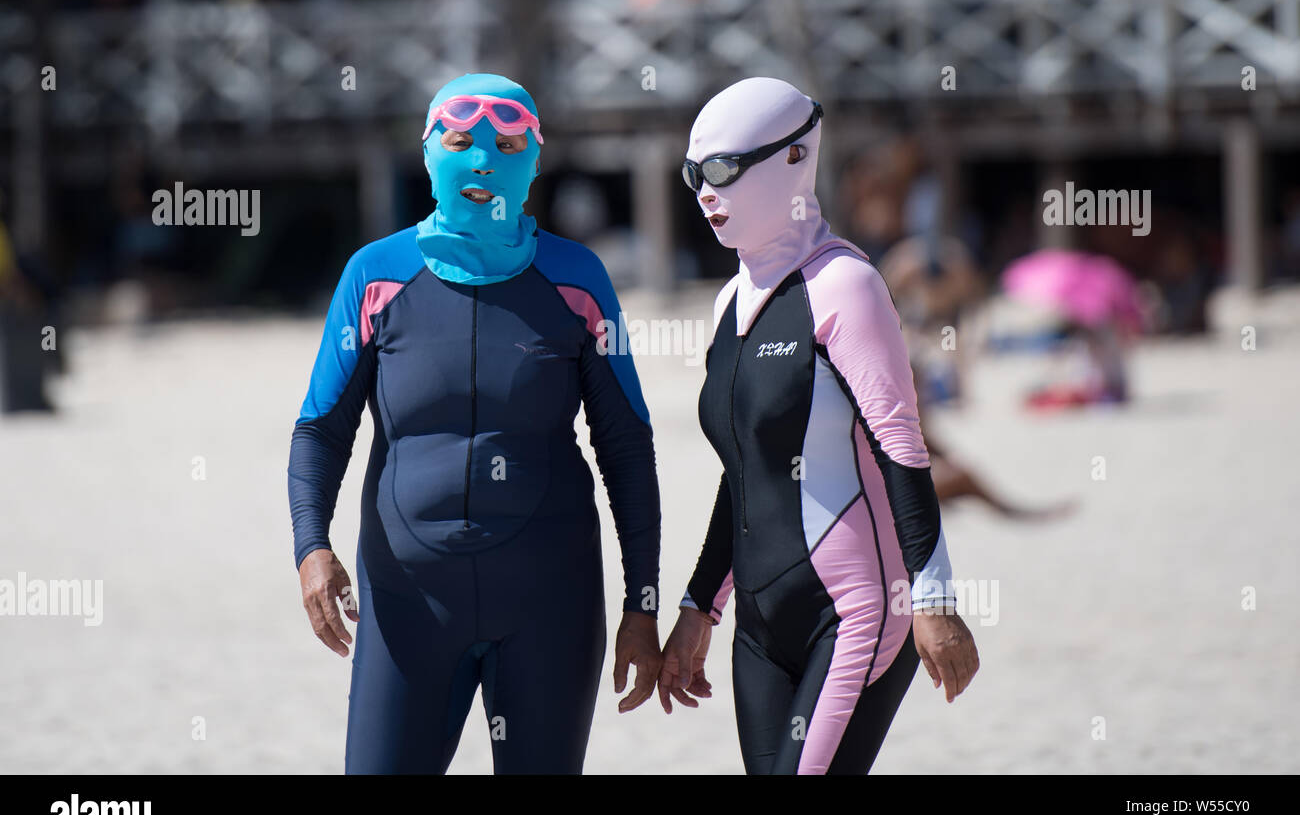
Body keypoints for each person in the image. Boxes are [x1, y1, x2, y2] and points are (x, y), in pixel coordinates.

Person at [287, 73, 663, 774]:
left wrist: (642, 607)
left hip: (550, 600)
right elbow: (320, 428)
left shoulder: (577, 279)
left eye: (509, 142)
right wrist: (312, 548)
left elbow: (626, 447)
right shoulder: (375, 275)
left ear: (536, 160)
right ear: (429, 154)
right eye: (460, 140)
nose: (483, 159)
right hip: (407, 604)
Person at [658, 78, 979, 774]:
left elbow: (902, 449)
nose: (704, 192)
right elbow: (744, 471)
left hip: (855, 609)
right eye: (693, 175)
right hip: (759, 626)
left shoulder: (845, 286)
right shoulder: (726, 303)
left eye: (722, 170)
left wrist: (937, 598)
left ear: (795, 159)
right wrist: (698, 607)